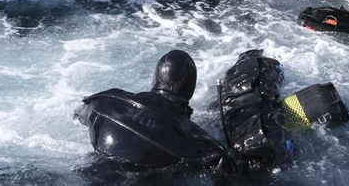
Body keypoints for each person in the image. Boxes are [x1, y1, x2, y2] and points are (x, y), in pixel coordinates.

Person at [74, 49, 232, 173]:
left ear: (155, 77)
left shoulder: (105, 100)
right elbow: (225, 168)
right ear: (190, 89)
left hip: (86, 171)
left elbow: (78, 113)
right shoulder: (199, 144)